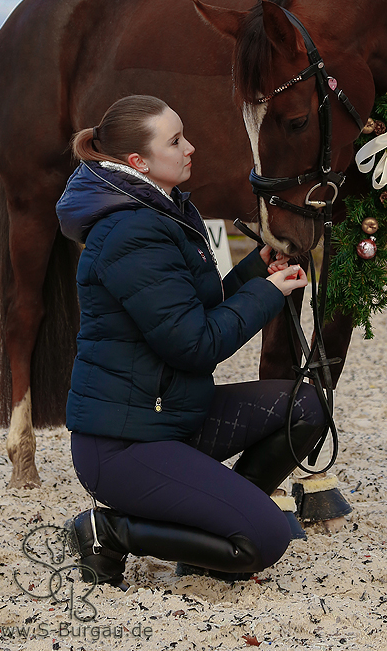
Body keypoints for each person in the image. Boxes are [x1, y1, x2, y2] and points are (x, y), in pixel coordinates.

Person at [56, 94, 327, 589]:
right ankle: (108, 531)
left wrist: (255, 268)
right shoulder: (129, 232)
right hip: (123, 445)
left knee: (306, 407)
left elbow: (193, 308)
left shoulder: (164, 209)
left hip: (172, 416)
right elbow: (194, 343)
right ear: (138, 161)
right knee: (266, 539)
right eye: (175, 141)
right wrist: (268, 294)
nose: (190, 148)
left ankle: (209, 535)